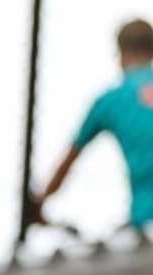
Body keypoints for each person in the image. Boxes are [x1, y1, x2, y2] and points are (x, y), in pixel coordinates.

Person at [34, 18, 153, 230]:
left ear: (121, 54)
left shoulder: (110, 101)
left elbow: (69, 160)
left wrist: (40, 201)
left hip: (146, 214)